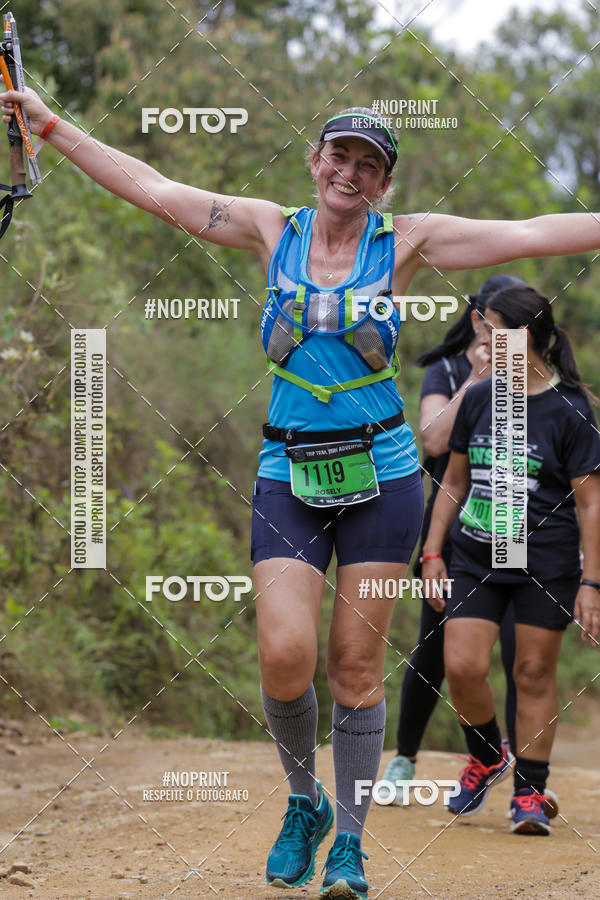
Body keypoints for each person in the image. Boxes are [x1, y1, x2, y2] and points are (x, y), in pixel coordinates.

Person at [3, 83, 600, 896]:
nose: (350, 173)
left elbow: (529, 232)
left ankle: (349, 845)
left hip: (384, 478)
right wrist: (50, 126)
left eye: (369, 164)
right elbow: (155, 189)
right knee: (285, 657)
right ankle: (303, 802)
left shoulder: (407, 239)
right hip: (289, 469)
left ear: (385, 183)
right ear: (315, 161)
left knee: (355, 668)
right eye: (339, 156)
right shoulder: (268, 227)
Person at [421, 283, 600, 835]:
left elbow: (591, 501)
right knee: (463, 666)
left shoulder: (571, 409)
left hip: (545, 560)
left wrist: (593, 582)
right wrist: (431, 551)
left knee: (532, 669)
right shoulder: (478, 396)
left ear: (532, 338)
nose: (487, 340)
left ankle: (530, 791)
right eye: (485, 330)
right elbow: (453, 482)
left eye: (498, 330)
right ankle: (486, 753)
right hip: (477, 552)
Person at [382, 274, 522, 795]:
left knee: (516, 650)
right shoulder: (446, 370)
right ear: (476, 320)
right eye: (490, 323)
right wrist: (476, 381)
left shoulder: (531, 378)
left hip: (515, 523)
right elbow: (434, 438)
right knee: (435, 642)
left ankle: (519, 771)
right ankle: (405, 758)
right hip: (451, 525)